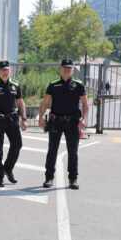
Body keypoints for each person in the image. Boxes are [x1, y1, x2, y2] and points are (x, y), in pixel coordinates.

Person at [39, 59, 89, 190]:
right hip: (56, 122)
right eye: (64, 68)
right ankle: (49, 178)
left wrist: (84, 119)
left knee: (73, 152)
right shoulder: (53, 84)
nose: (66, 70)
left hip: (73, 122)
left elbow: (85, 103)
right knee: (52, 150)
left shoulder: (78, 85)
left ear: (72, 69)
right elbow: (45, 102)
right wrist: (40, 118)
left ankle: (73, 179)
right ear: (60, 69)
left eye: (69, 68)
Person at [0, 60, 27, 187]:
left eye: (6, 70)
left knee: (17, 145)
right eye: (2, 70)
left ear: (10, 71)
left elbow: (20, 102)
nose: (4, 72)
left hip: (12, 120)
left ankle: (7, 168)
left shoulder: (15, 85)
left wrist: (24, 119)